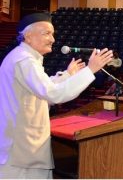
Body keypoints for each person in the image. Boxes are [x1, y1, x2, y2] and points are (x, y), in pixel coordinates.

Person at [0, 13, 113, 178]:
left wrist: (68, 75)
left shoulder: (24, 58)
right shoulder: (25, 61)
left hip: (23, 147)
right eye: (46, 33)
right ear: (28, 36)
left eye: (52, 34)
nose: (52, 39)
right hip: (21, 150)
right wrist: (91, 70)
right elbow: (53, 94)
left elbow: (43, 88)